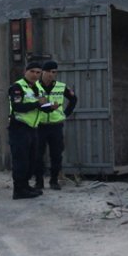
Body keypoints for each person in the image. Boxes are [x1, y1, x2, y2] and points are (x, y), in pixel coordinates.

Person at [7, 62, 54, 200]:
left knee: (31, 159)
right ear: (26, 72)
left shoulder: (37, 88)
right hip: (19, 127)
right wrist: (37, 104)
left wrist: (49, 107)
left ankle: (26, 186)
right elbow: (17, 107)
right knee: (20, 160)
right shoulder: (17, 87)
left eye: (38, 72)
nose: (35, 75)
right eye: (32, 71)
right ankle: (18, 190)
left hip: (33, 128)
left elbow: (40, 106)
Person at [34, 60, 77, 190]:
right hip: (39, 126)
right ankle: (39, 181)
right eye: (50, 72)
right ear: (43, 72)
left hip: (55, 126)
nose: (52, 75)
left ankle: (54, 181)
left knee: (56, 155)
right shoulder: (34, 86)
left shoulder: (61, 86)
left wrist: (65, 114)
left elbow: (73, 99)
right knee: (37, 155)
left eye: (55, 72)